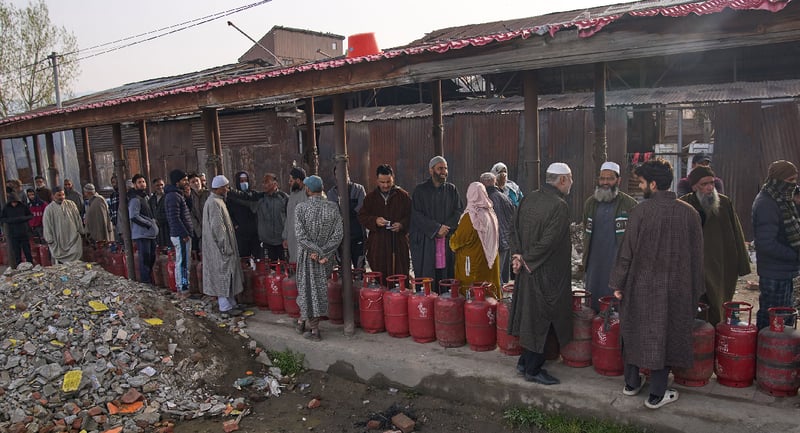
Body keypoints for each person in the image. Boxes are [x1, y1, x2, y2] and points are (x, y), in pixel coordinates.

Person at [609, 158, 704, 410]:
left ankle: (631, 384)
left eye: (641, 183)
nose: (641, 188)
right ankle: (657, 394)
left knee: (634, 329)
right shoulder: (690, 214)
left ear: (653, 183)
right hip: (676, 288)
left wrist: (618, 283)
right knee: (665, 334)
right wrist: (696, 290)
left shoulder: (640, 212)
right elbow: (697, 258)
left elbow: (626, 253)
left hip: (640, 285)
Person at [507, 162, 574, 386]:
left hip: (527, 270)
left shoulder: (529, 198)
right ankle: (533, 369)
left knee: (529, 316)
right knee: (540, 320)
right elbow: (549, 242)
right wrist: (527, 259)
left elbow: (512, 228)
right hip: (546, 273)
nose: (571, 184)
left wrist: (518, 255)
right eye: (570, 179)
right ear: (562, 180)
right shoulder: (559, 205)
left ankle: (524, 362)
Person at [679, 165, 751, 325]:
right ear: (694, 186)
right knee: (697, 310)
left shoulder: (724, 204)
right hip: (694, 267)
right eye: (704, 184)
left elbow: (737, 234)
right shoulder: (683, 205)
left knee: (718, 306)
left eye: (711, 183)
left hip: (721, 264)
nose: (709, 188)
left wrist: (743, 265)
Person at [581, 161, 638, 312]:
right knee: (593, 300)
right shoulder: (590, 204)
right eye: (602, 178)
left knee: (616, 300)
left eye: (610, 178)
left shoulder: (630, 204)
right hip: (595, 262)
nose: (605, 182)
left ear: (618, 180)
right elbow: (585, 230)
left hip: (617, 263)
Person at [751, 160, 800, 330]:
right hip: (774, 272)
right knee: (772, 320)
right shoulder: (767, 203)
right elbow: (766, 243)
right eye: (791, 180)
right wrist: (795, 255)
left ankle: (779, 354)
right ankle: (767, 353)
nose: (794, 184)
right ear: (779, 180)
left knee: (783, 318)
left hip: (783, 270)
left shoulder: (783, 198)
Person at [294, 175, 344, 341]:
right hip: (325, 259)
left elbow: (301, 236)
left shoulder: (301, 208)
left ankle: (314, 330)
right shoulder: (333, 208)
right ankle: (301, 321)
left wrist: (315, 251)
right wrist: (324, 253)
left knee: (307, 289)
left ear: (308, 189)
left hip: (308, 256)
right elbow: (338, 235)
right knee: (318, 290)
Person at [410, 156, 464, 293]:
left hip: (446, 238)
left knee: (447, 275)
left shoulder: (452, 190)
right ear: (431, 170)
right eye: (440, 168)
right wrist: (436, 228)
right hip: (427, 241)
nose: (444, 171)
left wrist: (446, 227)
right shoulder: (420, 191)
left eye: (445, 168)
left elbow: (458, 211)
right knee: (428, 275)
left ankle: (446, 302)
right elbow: (417, 215)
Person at [357, 164, 412, 278]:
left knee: (400, 276)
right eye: (382, 182)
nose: (385, 185)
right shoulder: (371, 198)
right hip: (378, 244)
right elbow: (362, 216)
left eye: (388, 182)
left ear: (393, 178)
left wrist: (402, 225)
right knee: (380, 278)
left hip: (398, 243)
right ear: (377, 180)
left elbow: (411, 216)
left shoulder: (403, 196)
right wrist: (375, 220)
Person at [450, 182, 501, 298]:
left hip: (473, 263)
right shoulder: (491, 213)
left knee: (475, 298)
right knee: (490, 293)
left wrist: (451, 242)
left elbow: (458, 240)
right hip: (491, 261)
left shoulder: (471, 216)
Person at [202, 175, 244, 317]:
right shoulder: (214, 203)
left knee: (228, 276)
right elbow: (218, 228)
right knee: (223, 276)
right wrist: (225, 247)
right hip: (221, 248)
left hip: (221, 247)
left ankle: (231, 303)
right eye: (225, 187)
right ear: (219, 188)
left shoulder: (217, 201)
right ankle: (225, 306)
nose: (227, 189)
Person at [228, 173, 289, 261]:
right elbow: (243, 198)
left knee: (286, 267)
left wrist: (287, 237)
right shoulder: (259, 198)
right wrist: (230, 191)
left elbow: (290, 218)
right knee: (269, 270)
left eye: (266, 182)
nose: (264, 185)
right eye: (263, 182)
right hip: (266, 242)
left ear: (275, 183)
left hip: (282, 242)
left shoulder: (284, 198)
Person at [328, 165, 367, 268]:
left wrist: (346, 212)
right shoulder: (332, 193)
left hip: (358, 234)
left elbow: (362, 207)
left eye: (343, 173)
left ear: (348, 173)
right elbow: (332, 212)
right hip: (340, 237)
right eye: (337, 174)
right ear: (335, 176)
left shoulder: (358, 189)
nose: (341, 176)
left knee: (359, 266)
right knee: (343, 269)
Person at [480, 172, 514, 285]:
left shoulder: (486, 199)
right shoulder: (505, 197)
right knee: (504, 275)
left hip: (493, 241)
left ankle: (497, 300)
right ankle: (505, 299)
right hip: (506, 239)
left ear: (483, 184)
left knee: (494, 275)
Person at [165, 169, 194, 297]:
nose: (186, 182)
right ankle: (183, 288)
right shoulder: (173, 196)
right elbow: (175, 217)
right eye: (184, 180)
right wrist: (184, 233)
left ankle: (181, 287)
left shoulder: (176, 195)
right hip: (181, 235)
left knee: (181, 261)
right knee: (183, 263)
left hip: (180, 234)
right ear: (177, 182)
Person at [129, 174, 159, 284]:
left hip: (150, 234)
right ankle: (146, 281)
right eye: (139, 182)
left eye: (143, 181)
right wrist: (148, 224)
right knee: (145, 259)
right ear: (134, 184)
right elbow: (134, 216)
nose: (142, 184)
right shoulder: (135, 199)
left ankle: (149, 279)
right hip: (142, 234)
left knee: (151, 257)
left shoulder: (144, 197)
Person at [42, 186, 85, 263]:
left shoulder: (71, 204)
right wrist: (49, 239)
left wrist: (81, 231)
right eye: (59, 195)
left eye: (63, 195)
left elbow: (78, 219)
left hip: (73, 239)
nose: (62, 197)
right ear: (53, 195)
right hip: (59, 241)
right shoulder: (49, 209)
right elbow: (47, 225)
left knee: (76, 261)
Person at [227, 171, 261, 258]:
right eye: (241, 181)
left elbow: (248, 197)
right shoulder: (232, 198)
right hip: (241, 233)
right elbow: (229, 213)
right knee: (243, 258)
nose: (244, 183)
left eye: (245, 180)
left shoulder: (253, 194)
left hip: (254, 232)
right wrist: (235, 225)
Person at [283, 167, 308, 262]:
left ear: (298, 180)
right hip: (292, 238)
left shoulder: (308, 193)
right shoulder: (293, 194)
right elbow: (289, 217)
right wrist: (285, 236)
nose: (289, 182)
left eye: (291, 180)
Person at [0, 193, 33, 265]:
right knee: (16, 252)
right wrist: (11, 220)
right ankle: (19, 265)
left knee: (27, 251)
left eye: (15, 202)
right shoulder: (6, 208)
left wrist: (22, 218)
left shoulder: (23, 206)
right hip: (13, 233)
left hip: (24, 232)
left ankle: (30, 264)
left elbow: (30, 215)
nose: (14, 204)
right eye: (12, 202)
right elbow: (2, 218)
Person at [187, 172, 210, 254]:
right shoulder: (191, 198)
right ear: (189, 185)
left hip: (211, 228)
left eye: (197, 180)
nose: (196, 183)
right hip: (201, 232)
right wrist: (199, 231)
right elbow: (192, 215)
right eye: (193, 182)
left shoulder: (208, 194)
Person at [148, 178, 171, 248]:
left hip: (167, 228)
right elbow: (150, 213)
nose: (160, 187)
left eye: (161, 185)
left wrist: (159, 220)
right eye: (157, 185)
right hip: (156, 230)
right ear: (154, 187)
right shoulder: (151, 200)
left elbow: (170, 213)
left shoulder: (168, 197)